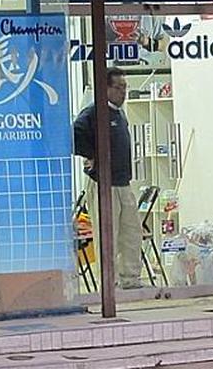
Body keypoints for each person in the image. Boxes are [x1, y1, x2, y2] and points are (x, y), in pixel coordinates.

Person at [73, 66, 144, 289]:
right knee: (108, 236)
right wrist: (91, 155)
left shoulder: (120, 114)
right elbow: (74, 135)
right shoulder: (93, 113)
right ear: (105, 89)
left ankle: (130, 278)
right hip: (104, 184)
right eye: (118, 87)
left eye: (125, 87)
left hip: (123, 182)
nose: (123, 92)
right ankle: (108, 282)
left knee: (132, 233)